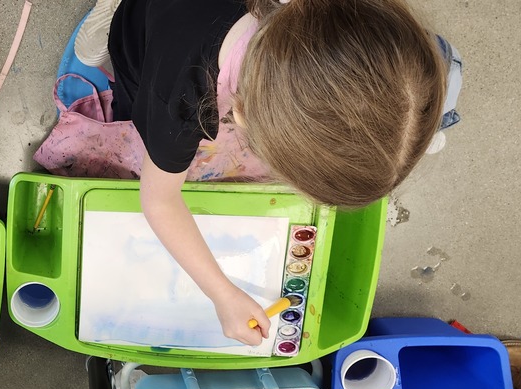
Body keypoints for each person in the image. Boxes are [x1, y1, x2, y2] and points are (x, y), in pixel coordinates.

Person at [75, 0, 449, 346]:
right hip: (142, 26)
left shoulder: (329, 17)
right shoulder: (176, 107)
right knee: (105, 58)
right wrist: (222, 294)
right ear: (238, 116)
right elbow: (159, 200)